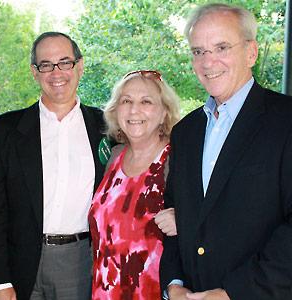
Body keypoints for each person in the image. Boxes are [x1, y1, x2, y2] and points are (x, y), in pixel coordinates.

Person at [160, 3, 292, 300]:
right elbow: (174, 219)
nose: (208, 62)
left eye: (221, 47)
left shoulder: (286, 121)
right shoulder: (185, 132)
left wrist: (232, 293)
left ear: (251, 52)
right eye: (198, 51)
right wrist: (174, 284)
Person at [0, 32, 105, 300]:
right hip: (21, 263)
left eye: (65, 62)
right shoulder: (4, 130)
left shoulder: (108, 127)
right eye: (46, 64)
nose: (56, 72)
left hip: (81, 262)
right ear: (34, 72)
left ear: (80, 66)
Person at [89, 70, 180, 299]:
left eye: (146, 101)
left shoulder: (178, 159)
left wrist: (185, 220)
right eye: (126, 101)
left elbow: (212, 218)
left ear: (164, 113)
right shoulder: (114, 157)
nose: (133, 110)